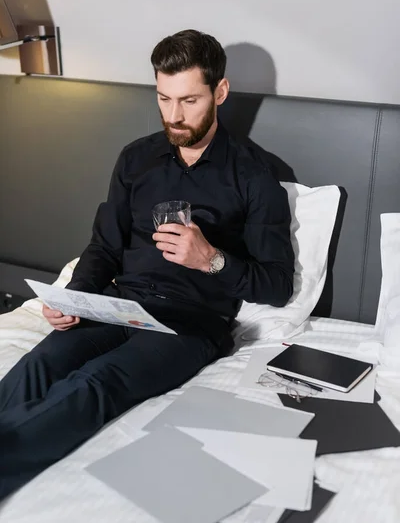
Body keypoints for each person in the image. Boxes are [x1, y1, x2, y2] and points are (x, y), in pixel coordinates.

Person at [0, 29, 294, 500]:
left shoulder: (255, 176)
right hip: (120, 304)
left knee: (96, 382)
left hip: (189, 324)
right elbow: (103, 247)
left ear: (220, 92)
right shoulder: (136, 159)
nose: (174, 116)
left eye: (190, 100)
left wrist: (213, 260)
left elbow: (278, 285)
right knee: (43, 361)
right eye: (164, 98)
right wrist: (76, 296)